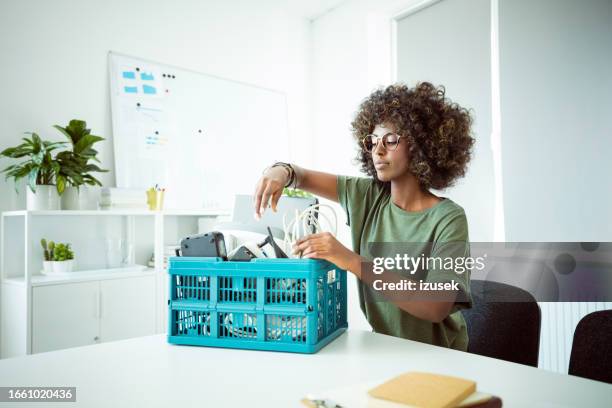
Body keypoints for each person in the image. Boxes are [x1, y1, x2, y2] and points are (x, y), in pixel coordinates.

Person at [253, 82, 475, 350]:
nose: (378, 151)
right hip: (385, 351)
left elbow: (435, 305)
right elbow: (300, 176)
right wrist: (280, 171)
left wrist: (350, 260)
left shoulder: (448, 218)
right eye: (372, 141)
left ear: (421, 144)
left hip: (441, 360)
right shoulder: (369, 196)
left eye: (391, 140)